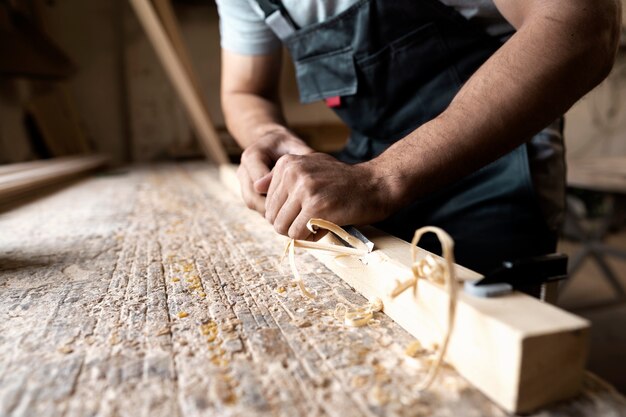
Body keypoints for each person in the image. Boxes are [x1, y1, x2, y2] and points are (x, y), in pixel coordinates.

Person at [216, 0, 621, 273]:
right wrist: (268, 134)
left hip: (495, 171)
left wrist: (382, 178)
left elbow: (584, 24)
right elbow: (245, 91)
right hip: (365, 168)